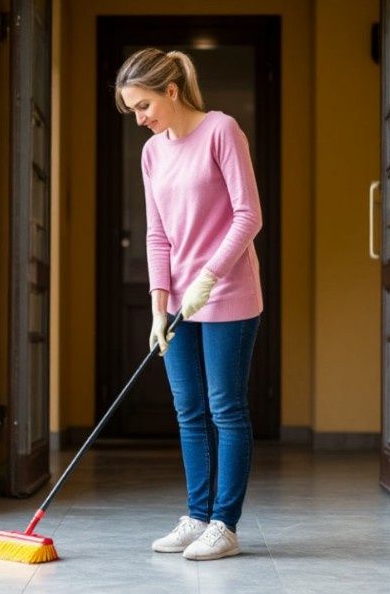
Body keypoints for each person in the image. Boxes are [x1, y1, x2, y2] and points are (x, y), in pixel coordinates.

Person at [114, 48, 264, 561]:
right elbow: (157, 235)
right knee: (188, 410)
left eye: (142, 106)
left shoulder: (222, 131)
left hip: (227, 293)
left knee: (226, 408)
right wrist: (159, 305)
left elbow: (248, 215)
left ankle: (225, 524)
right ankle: (198, 516)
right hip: (177, 302)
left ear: (170, 91)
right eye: (132, 110)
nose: (140, 119)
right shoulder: (152, 153)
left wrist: (208, 276)